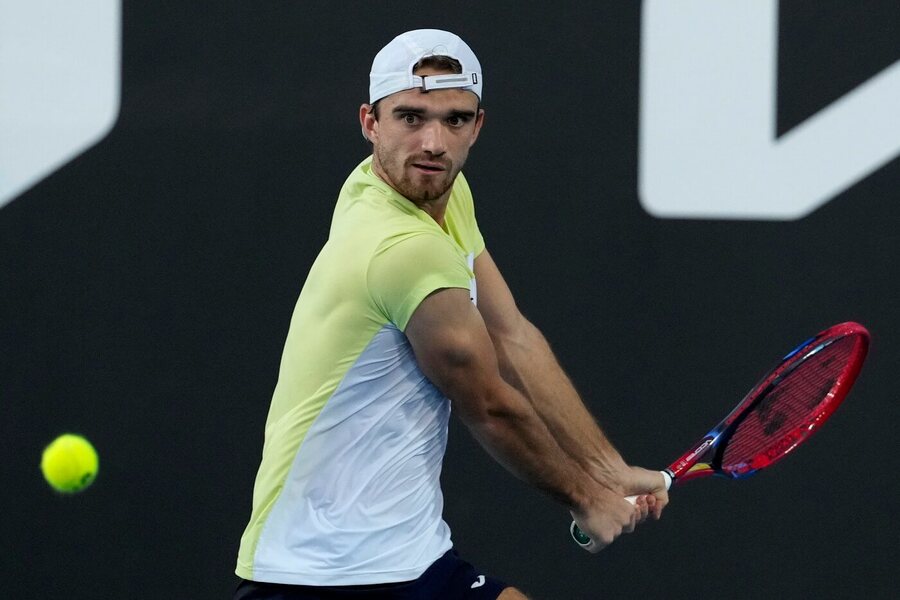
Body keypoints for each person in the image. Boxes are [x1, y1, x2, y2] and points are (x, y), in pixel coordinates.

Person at [234, 29, 668, 600]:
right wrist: (587, 499)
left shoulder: (438, 194)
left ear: (477, 126)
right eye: (411, 118)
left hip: (410, 555)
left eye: (455, 120)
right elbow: (488, 404)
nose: (434, 142)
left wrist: (605, 468)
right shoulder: (399, 247)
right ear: (370, 123)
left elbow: (512, 333)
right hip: (316, 575)